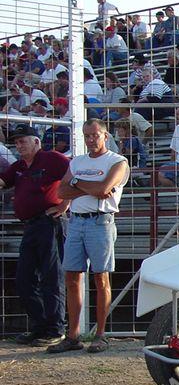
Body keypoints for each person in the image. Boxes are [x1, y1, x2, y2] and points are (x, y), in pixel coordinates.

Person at [51, 119, 129, 354]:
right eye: (86, 136)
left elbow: (104, 190)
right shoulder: (77, 162)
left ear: (105, 135)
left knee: (100, 278)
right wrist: (88, 186)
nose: (90, 140)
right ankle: (73, 335)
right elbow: (61, 191)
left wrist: (77, 184)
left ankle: (101, 334)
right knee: (72, 276)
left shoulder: (117, 161)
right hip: (77, 221)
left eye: (94, 135)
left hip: (100, 221)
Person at [0, 126, 70, 348]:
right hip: (30, 226)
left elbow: (75, 176)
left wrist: (65, 203)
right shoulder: (19, 166)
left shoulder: (52, 159)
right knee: (24, 279)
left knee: (51, 277)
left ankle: (56, 329)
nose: (19, 146)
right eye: (17, 142)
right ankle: (40, 326)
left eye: (23, 141)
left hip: (49, 223)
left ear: (37, 142)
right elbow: (3, 181)